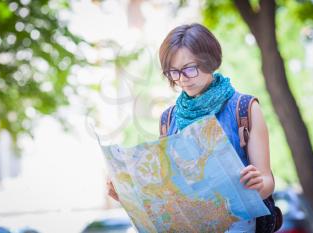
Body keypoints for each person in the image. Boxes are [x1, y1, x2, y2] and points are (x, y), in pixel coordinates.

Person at [106, 23, 274, 232]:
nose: (182, 79)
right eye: (173, 72)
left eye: (189, 69)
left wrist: (259, 184)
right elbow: (167, 194)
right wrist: (128, 196)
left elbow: (267, 181)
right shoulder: (168, 119)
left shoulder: (245, 108)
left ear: (210, 60)